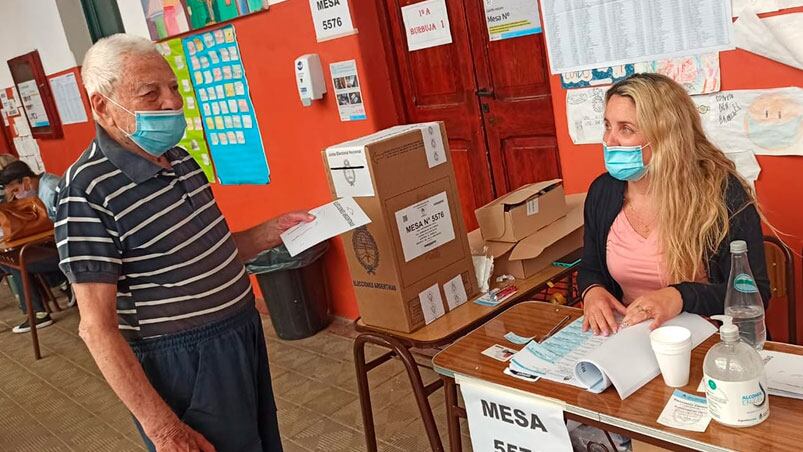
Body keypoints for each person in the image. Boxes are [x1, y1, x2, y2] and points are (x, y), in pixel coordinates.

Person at [56, 34, 314, 451]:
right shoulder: (86, 190)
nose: (172, 103)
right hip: (183, 363)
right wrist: (164, 429)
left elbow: (206, 251)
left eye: (173, 87)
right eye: (150, 93)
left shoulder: (180, 159)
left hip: (239, 336)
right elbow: (96, 329)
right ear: (102, 106)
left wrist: (272, 231)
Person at [578, 73, 770, 336]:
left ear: (666, 134)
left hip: (708, 341)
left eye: (626, 129)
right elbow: (590, 267)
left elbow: (754, 293)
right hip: (630, 339)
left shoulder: (722, 193)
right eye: (607, 125)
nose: (609, 141)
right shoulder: (603, 190)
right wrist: (592, 291)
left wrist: (680, 296)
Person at [0, 160, 65, 333]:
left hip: (67, 250)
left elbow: (64, 227)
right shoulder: (38, 190)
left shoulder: (50, 189)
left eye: (16, 190)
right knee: (10, 258)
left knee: (16, 260)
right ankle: (38, 311)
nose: (17, 196)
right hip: (53, 245)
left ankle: (39, 312)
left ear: (26, 181)